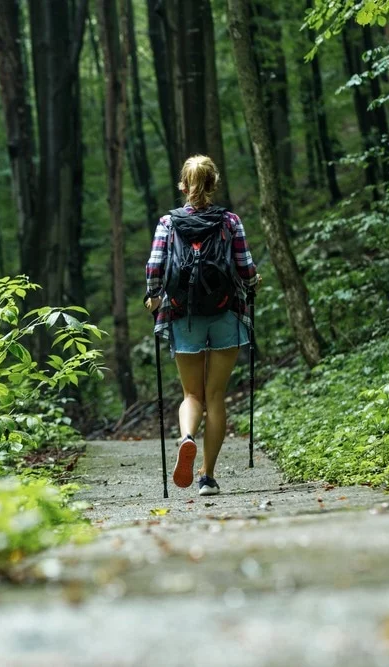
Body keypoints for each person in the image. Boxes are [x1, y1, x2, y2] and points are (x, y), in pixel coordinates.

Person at [144, 155, 259, 496]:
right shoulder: (230, 221)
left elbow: (154, 266)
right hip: (225, 313)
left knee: (191, 394)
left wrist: (153, 297)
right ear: (214, 184)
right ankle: (207, 477)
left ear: (183, 185)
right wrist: (254, 283)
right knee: (216, 396)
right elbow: (245, 268)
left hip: (184, 315)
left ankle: (186, 437)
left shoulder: (168, 223)